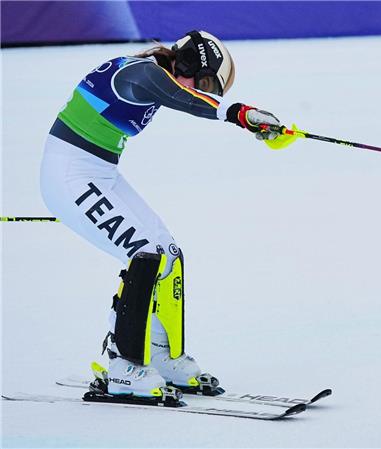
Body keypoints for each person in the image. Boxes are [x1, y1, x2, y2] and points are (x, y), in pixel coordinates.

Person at [40, 30, 297, 400]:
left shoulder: (153, 75)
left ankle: (163, 357)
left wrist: (247, 118)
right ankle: (123, 366)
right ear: (189, 61)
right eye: (206, 81)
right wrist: (240, 114)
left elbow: (182, 94)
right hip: (69, 174)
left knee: (168, 254)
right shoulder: (138, 72)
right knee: (146, 253)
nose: (205, 90)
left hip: (99, 172)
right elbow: (179, 96)